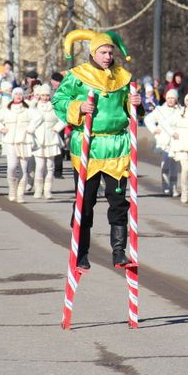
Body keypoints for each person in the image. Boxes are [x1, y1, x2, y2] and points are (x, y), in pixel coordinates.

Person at [53, 30, 142, 270]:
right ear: (93, 53)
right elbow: (58, 101)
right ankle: (81, 252)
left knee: (118, 200)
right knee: (85, 201)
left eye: (110, 52)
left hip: (116, 146)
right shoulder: (77, 76)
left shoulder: (123, 76)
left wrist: (135, 104)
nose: (107, 57)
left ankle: (119, 251)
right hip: (88, 145)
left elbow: (128, 108)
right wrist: (78, 106)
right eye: (103, 52)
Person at [0, 87, 41, 203]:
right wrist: (1, 128)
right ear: (12, 96)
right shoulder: (6, 109)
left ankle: (20, 194)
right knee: (12, 167)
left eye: (20, 94)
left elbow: (39, 117)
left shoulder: (28, 109)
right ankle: (12, 190)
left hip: (25, 141)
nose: (18, 96)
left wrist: (31, 128)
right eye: (16, 94)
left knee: (23, 168)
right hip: (11, 141)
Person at [144, 88, 182, 196]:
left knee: (175, 165)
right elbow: (148, 119)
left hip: (176, 141)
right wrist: (154, 129)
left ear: (176, 99)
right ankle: (165, 186)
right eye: (168, 98)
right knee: (165, 163)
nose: (170, 100)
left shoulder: (180, 111)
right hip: (164, 141)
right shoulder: (160, 110)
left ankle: (173, 187)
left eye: (172, 98)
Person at [31, 84, 65, 199]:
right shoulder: (35, 107)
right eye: (43, 95)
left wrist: (57, 128)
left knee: (50, 166)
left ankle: (47, 190)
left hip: (51, 138)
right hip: (38, 139)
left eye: (47, 95)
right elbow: (28, 115)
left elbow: (63, 119)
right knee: (40, 166)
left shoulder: (54, 107)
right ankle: (38, 190)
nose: (45, 97)